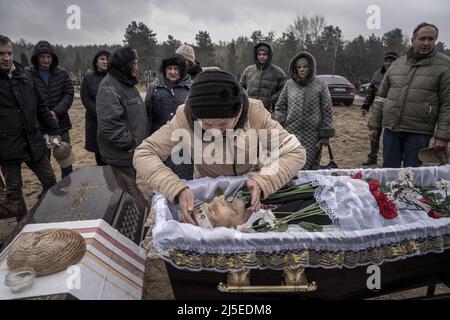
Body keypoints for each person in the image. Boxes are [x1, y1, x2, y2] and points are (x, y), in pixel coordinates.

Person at [133, 69, 306, 225]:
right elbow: (144, 153)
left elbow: (295, 152)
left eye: (224, 124)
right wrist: (175, 186)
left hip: (251, 191)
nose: (215, 133)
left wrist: (265, 181)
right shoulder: (183, 118)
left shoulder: (255, 113)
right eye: (207, 125)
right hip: (210, 198)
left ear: (239, 112)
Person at [368, 22, 450, 168]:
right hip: (392, 130)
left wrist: (442, 135)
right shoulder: (397, 64)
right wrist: (374, 124)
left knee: (412, 176)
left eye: (431, 39)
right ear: (413, 40)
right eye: (422, 38)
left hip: (419, 132)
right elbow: (381, 97)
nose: (426, 43)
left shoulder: (445, 66)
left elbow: (448, 104)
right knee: (389, 172)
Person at [0, 35, 60, 221]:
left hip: (33, 140)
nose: (6, 58)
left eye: (9, 53)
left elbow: (41, 106)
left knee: (50, 180)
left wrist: (54, 130)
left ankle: (49, 215)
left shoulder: (24, 75)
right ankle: (23, 224)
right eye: (1, 54)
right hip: (6, 145)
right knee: (14, 192)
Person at [274, 52, 334, 170]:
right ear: (295, 69)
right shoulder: (289, 84)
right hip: (291, 133)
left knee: (309, 167)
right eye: (299, 67)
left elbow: (327, 110)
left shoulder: (320, 84)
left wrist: (325, 135)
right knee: (291, 166)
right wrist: (283, 122)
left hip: (313, 136)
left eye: (305, 67)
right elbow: (280, 106)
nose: (302, 69)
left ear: (310, 68)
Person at [96, 47, 149, 179]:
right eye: (134, 63)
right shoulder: (109, 87)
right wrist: (129, 143)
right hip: (120, 155)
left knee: (129, 190)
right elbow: (109, 123)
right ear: (124, 65)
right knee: (124, 193)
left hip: (130, 154)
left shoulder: (127, 83)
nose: (137, 67)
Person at [28, 40, 74, 178]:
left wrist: (56, 112)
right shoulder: (28, 74)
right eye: (42, 56)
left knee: (65, 157)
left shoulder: (62, 74)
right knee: (43, 159)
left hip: (61, 124)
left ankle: (68, 183)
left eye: (49, 57)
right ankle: (47, 187)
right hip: (39, 126)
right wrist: (43, 115)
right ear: (36, 57)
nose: (46, 60)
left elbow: (69, 93)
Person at [145, 53, 193, 180]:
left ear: (182, 70)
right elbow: (148, 116)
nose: (172, 72)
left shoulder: (191, 89)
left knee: (184, 177)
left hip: (184, 142)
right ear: (164, 69)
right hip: (160, 139)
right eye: (169, 68)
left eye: (176, 69)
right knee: (161, 177)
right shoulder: (154, 88)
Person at [361, 52, 398, 166]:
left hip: (394, 110)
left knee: (391, 136)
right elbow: (371, 92)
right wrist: (366, 106)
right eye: (386, 61)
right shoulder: (377, 74)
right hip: (378, 109)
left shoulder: (401, 73)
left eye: (391, 60)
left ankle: (389, 159)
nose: (388, 63)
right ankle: (372, 156)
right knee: (374, 132)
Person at [80, 50, 111, 166]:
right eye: (102, 59)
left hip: (112, 120)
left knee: (112, 153)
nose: (105, 61)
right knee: (100, 154)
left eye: (107, 59)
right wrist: (99, 113)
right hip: (95, 121)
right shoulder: (88, 78)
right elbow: (86, 99)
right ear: (96, 62)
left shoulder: (114, 77)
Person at [240, 42, 287, 112]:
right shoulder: (248, 70)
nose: (261, 57)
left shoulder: (278, 72)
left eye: (264, 54)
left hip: (268, 111)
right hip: (249, 109)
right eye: (259, 54)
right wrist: (246, 98)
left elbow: (284, 90)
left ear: (269, 55)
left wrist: (271, 100)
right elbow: (240, 87)